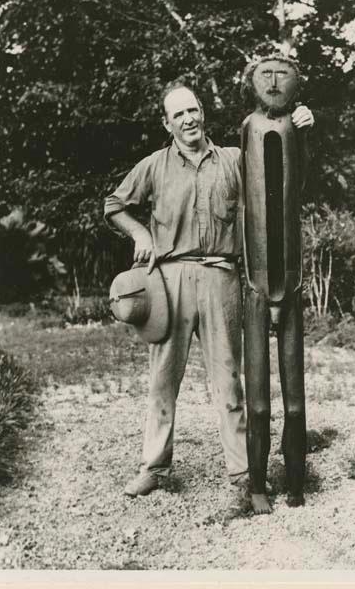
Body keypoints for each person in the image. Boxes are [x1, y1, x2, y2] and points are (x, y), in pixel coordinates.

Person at [104, 79, 313, 501]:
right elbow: (114, 205)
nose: (188, 119)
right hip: (170, 279)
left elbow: (281, 179)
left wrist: (300, 128)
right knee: (163, 381)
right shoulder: (154, 166)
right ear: (167, 124)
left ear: (203, 113)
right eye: (178, 114)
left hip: (222, 277)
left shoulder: (236, 160)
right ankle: (155, 468)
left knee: (228, 382)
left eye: (192, 110)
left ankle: (241, 473)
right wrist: (141, 234)